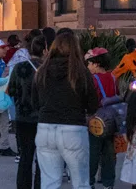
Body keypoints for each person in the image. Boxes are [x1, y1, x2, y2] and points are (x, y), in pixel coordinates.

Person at [31, 31, 98, 189]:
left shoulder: (41, 72)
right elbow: (93, 104)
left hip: (45, 127)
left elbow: (35, 103)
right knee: (80, 182)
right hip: (73, 128)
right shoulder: (80, 72)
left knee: (49, 183)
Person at [9, 35, 46, 189]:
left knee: (25, 156)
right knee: (42, 159)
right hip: (43, 118)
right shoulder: (46, 69)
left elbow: (11, 90)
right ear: (44, 50)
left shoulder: (19, 68)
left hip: (23, 117)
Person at [85, 48, 120, 189]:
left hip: (96, 121)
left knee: (93, 152)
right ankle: (108, 183)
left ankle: (89, 181)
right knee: (109, 154)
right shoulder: (113, 77)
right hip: (111, 121)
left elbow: (89, 100)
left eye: (89, 64)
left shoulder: (93, 80)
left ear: (96, 64)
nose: (88, 67)